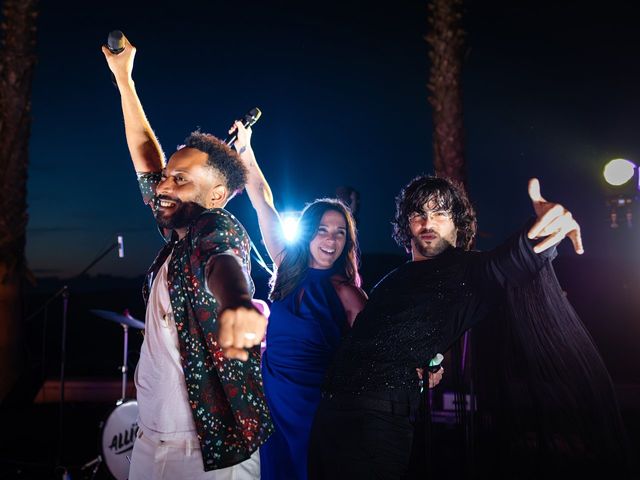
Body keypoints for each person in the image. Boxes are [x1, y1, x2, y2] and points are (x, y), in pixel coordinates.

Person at [308, 175, 628, 479]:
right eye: (419, 213)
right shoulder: (397, 277)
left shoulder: (466, 270)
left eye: (440, 213)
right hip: (329, 420)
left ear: (457, 224)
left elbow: (514, 260)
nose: (428, 222)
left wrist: (545, 229)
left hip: (374, 428)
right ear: (406, 223)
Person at [228, 123, 444, 479]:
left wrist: (425, 364)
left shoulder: (346, 290)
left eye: (340, 233)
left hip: (318, 411)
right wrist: (247, 150)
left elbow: (384, 343)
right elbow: (262, 200)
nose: (331, 240)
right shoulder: (285, 264)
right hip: (273, 406)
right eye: (323, 230)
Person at [102, 36, 273, 479]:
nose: (162, 185)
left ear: (216, 195)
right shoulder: (176, 238)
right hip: (150, 440)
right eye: (165, 177)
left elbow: (224, 262)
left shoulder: (214, 229)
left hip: (207, 451)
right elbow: (145, 157)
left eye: (179, 179)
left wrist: (236, 304)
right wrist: (125, 80)